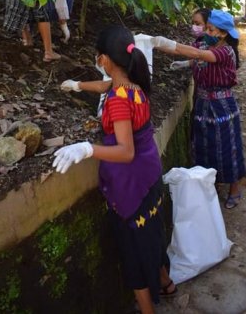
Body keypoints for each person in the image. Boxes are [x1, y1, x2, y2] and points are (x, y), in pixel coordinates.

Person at [53, 25, 176, 314]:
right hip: (150, 176)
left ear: (105, 60)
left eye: (98, 57)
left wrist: (87, 149)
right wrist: (78, 85)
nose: (98, 61)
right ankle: (166, 282)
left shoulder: (119, 100)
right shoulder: (133, 84)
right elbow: (105, 86)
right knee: (152, 236)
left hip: (130, 184)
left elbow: (125, 150)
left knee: (134, 251)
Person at [152, 9, 246, 209]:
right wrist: (183, 61)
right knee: (204, 147)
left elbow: (197, 53)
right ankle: (209, 184)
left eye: (210, 29)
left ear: (222, 33)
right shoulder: (205, 43)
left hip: (222, 106)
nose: (206, 32)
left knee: (227, 148)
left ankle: (234, 188)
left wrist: (164, 43)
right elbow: (193, 55)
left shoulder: (225, 51)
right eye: (207, 28)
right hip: (203, 104)